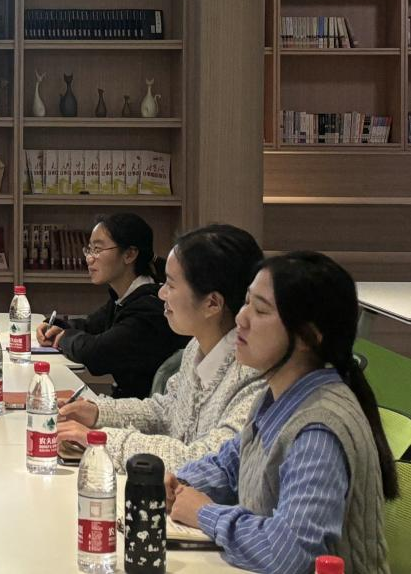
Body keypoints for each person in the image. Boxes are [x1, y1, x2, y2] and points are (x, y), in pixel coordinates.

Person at [169, 251, 396, 574]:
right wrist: (178, 483)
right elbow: (230, 465)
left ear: (308, 336)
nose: (241, 318)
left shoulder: (319, 430)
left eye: (261, 310)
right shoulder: (277, 396)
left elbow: (290, 552)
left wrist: (204, 513)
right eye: (246, 302)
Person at [56, 224, 265, 471]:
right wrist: (97, 413)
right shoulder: (197, 347)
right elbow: (165, 412)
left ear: (212, 303)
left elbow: (206, 460)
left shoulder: (252, 376)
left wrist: (102, 440)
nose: (162, 293)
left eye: (171, 285)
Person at [36, 213, 186, 398]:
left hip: (140, 409)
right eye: (89, 249)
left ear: (129, 254)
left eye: (98, 249)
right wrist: (55, 326)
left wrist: (63, 336)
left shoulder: (149, 308)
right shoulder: (126, 297)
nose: (89, 258)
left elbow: (96, 354)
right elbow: (90, 326)